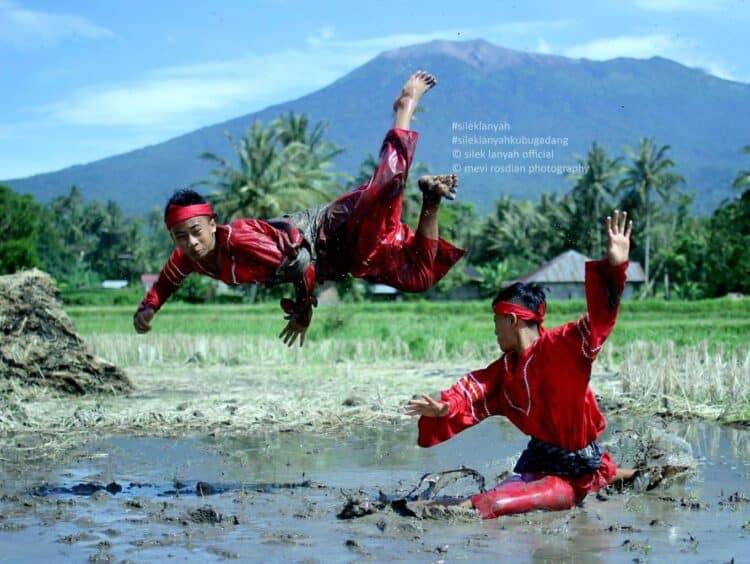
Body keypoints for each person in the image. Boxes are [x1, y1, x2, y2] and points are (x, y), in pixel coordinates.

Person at [133, 70, 465, 346]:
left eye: (195, 232)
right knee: (421, 276)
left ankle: (405, 108)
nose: (191, 243)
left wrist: (303, 313)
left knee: (386, 185)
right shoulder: (187, 257)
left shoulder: (242, 241)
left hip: (330, 234)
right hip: (345, 262)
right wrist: (148, 309)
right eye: (180, 237)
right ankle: (431, 197)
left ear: (211, 225)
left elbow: (301, 262)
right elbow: (166, 281)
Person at [405, 210, 637, 519]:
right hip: (539, 460)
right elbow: (472, 389)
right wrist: (445, 408)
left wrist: (616, 267)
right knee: (509, 493)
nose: (494, 331)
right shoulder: (505, 369)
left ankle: (424, 511)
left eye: (496, 322)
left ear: (512, 320)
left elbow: (601, 321)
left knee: (497, 503)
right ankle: (626, 474)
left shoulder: (561, 346)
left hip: (572, 472)